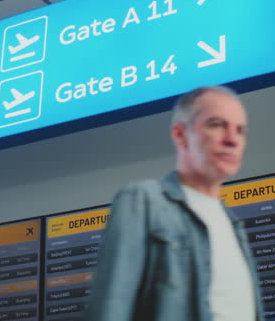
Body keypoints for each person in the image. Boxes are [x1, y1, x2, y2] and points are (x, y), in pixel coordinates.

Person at [86, 86, 263, 321]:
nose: (232, 140)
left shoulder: (234, 226)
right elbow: (111, 306)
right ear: (180, 134)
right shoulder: (143, 200)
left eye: (240, 130)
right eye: (216, 124)